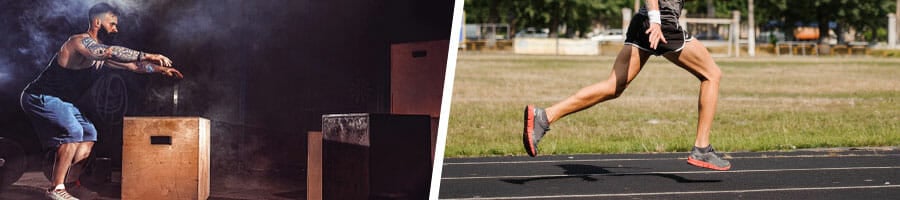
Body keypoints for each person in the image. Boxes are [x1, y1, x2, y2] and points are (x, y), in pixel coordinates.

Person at [522, 0, 731, 171]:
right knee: (711, 74)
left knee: (614, 85)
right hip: (661, 22)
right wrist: (656, 21)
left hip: (642, 20)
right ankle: (702, 147)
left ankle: (545, 116)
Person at [20, 3, 183, 200]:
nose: (116, 29)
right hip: (39, 96)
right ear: (97, 22)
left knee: (89, 133)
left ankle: (71, 184)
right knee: (74, 131)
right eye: (112, 24)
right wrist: (148, 54)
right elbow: (111, 52)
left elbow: (133, 65)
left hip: (62, 101)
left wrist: (161, 70)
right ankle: (56, 188)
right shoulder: (78, 42)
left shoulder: (101, 54)